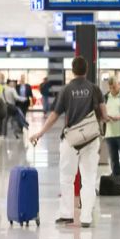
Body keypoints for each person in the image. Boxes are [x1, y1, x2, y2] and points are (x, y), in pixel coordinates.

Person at [30, 57, 107, 228]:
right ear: (86, 70)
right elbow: (103, 115)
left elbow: (54, 116)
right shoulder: (95, 89)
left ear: (73, 70)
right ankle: (86, 217)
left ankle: (66, 214)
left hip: (70, 140)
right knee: (88, 178)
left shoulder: (66, 90)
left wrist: (40, 133)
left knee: (66, 177)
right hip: (91, 139)